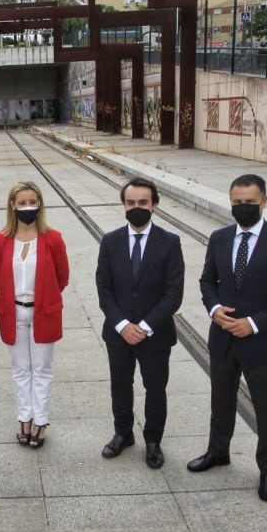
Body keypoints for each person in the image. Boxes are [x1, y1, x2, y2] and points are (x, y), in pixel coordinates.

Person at [188, 174, 267, 502]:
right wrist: (214, 309)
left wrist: (255, 323)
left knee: (266, 409)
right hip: (223, 338)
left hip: (262, 343)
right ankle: (218, 452)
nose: (242, 208)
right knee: (221, 400)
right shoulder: (219, 238)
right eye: (237, 203)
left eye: (249, 203)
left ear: (264, 202)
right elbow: (206, 281)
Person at [96, 178, 184, 468]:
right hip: (118, 333)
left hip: (155, 334)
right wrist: (122, 324)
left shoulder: (170, 243)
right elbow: (104, 288)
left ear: (154, 205)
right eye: (131, 203)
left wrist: (145, 326)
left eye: (143, 203)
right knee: (120, 386)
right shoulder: (110, 241)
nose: (137, 208)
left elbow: (174, 293)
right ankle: (123, 434)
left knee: (155, 389)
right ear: (124, 205)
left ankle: (153, 441)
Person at [0, 181, 69, 449]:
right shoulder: (0, 240)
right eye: (22, 202)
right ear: (12, 206)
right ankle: (24, 417)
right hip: (13, 312)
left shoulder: (53, 238)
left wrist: (43, 297)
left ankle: (41, 421)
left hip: (43, 312)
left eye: (32, 202)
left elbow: (62, 277)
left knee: (42, 369)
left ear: (40, 204)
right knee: (20, 369)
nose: (27, 207)